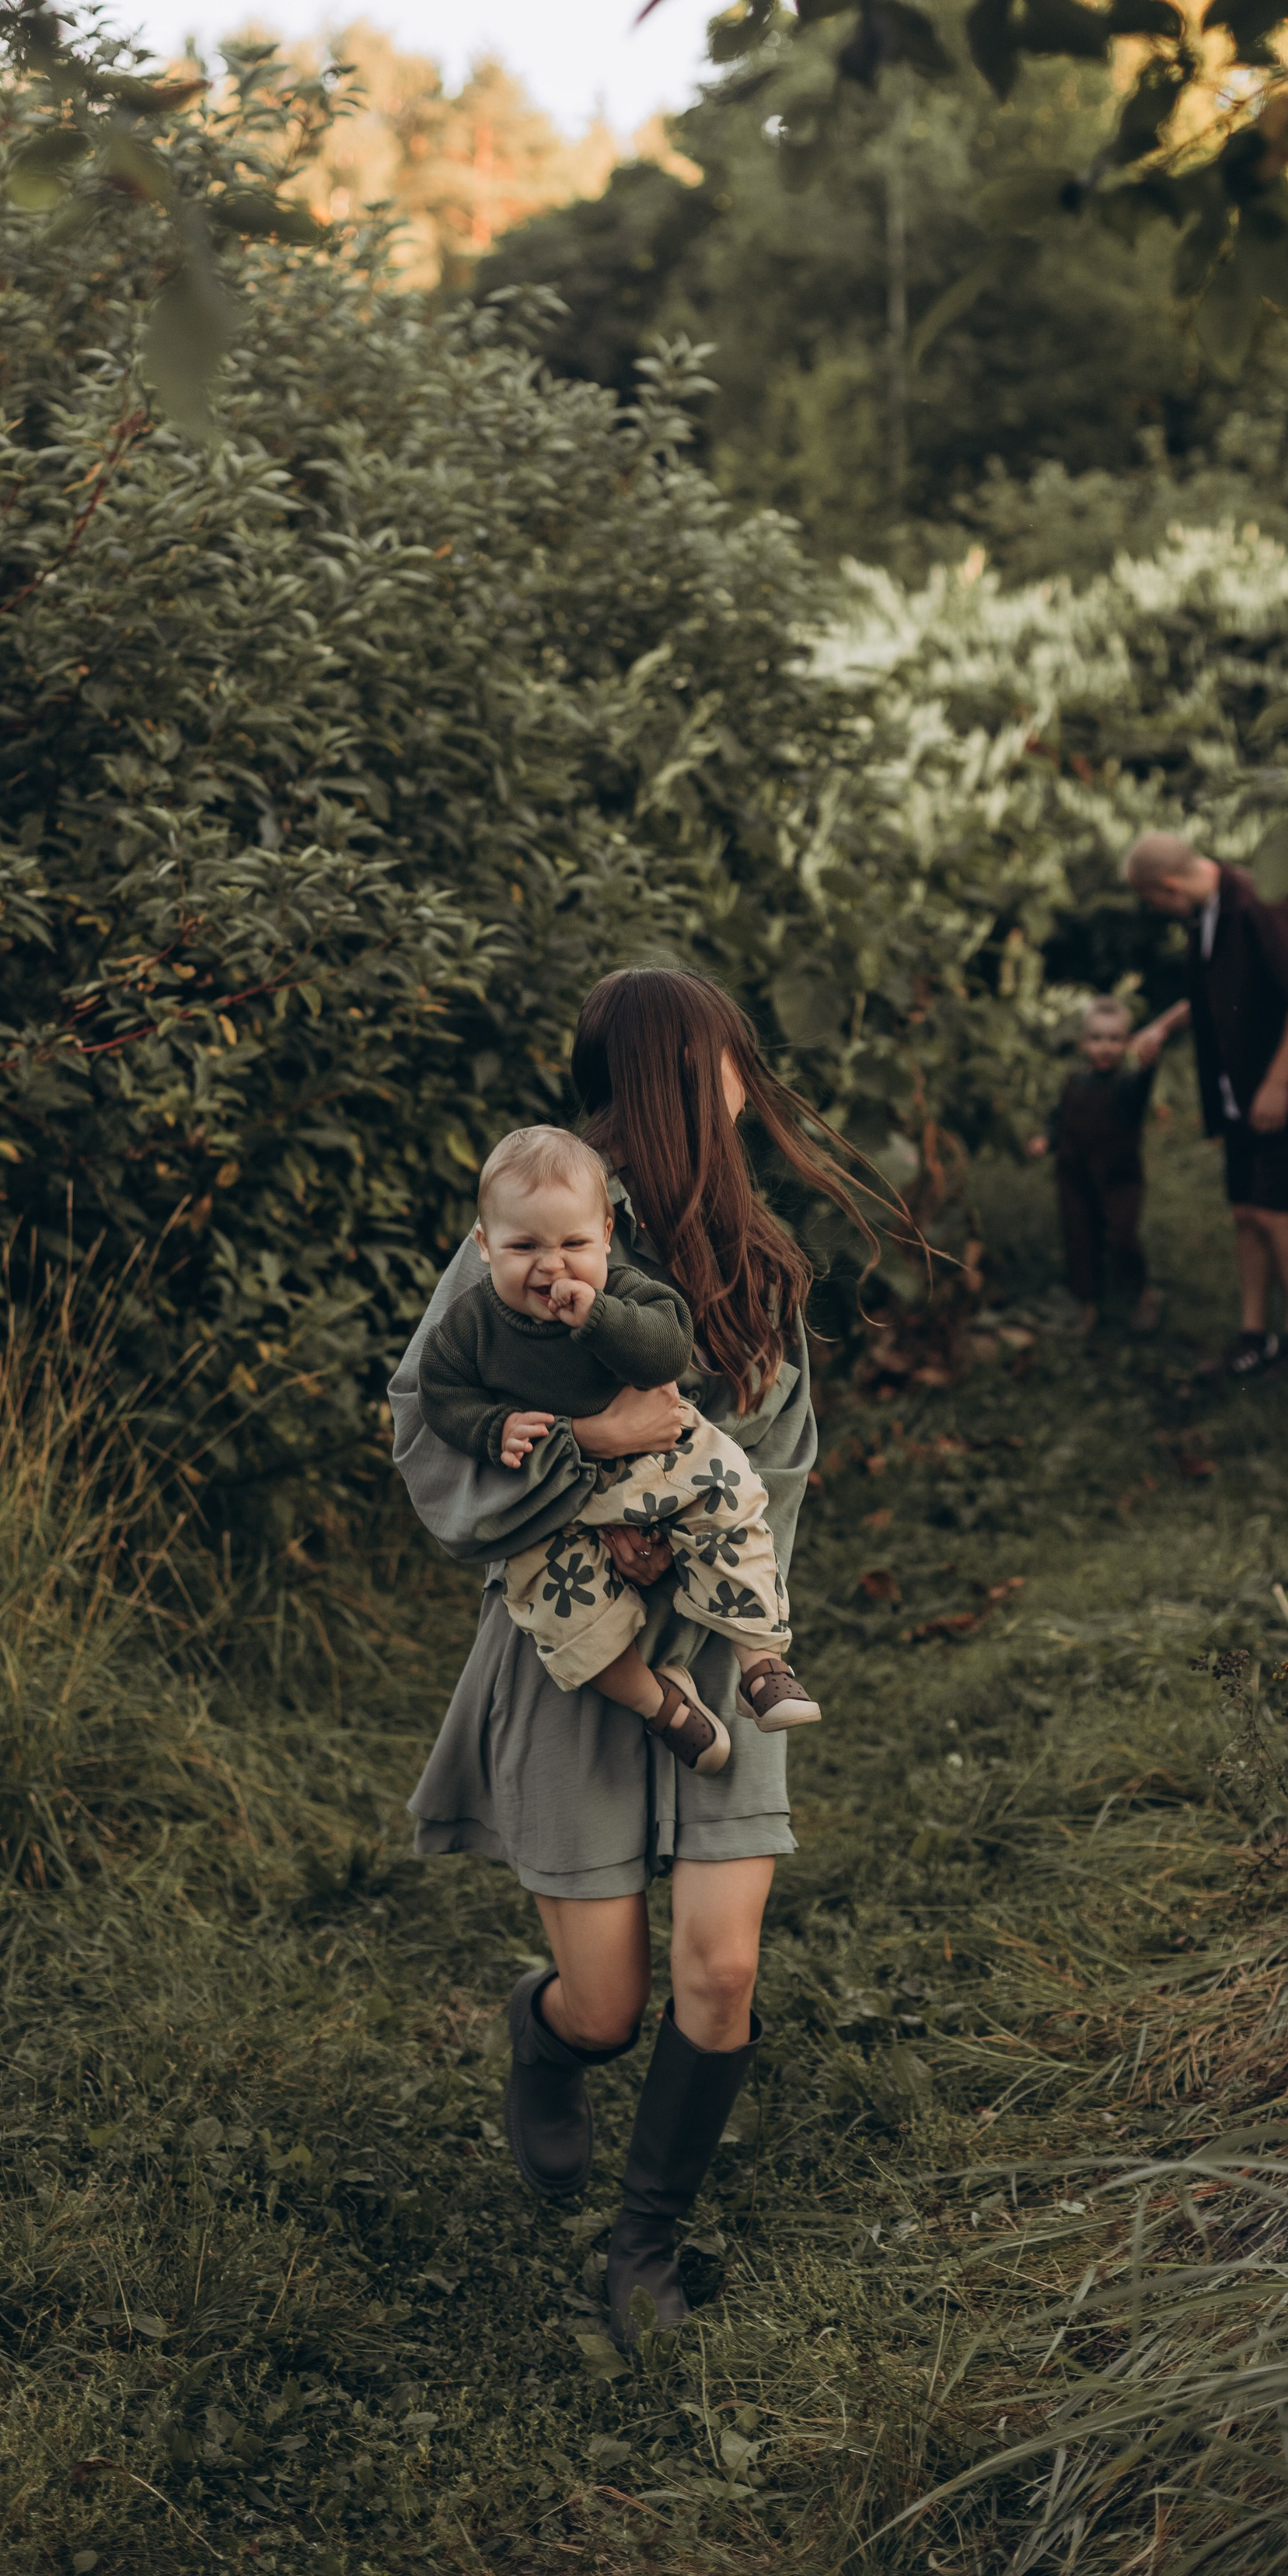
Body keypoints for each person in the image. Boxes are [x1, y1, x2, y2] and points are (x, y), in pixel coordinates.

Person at [392, 967, 882, 2346]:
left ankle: (646, 2241)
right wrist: (586, 1463)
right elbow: (428, 1418)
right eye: (725, 1059)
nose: (744, 1085)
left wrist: (706, 1557)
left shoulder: (750, 1246)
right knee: (607, 2007)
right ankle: (548, 2038)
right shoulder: (543, 1218)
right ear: (675, 1072)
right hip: (573, 1645)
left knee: (720, 1971)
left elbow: (780, 1456)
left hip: (712, 1646)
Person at [414, 1121, 821, 1769]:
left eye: (574, 1244)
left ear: (606, 1235)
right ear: (485, 1246)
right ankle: (660, 1704)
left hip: (660, 1460)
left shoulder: (627, 1292)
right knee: (551, 1601)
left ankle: (761, 1662)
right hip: (561, 1492)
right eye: (524, 1246)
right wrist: (492, 1427)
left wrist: (598, 1317)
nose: (552, 1266)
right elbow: (439, 1390)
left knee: (728, 1493)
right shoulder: (472, 1323)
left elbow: (667, 1350)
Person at [1122, 831, 1288, 1380]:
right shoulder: (1206, 913)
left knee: (1273, 1211)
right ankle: (1254, 1335)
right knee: (1245, 1212)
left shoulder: (1263, 902)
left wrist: (1279, 1083)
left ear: (1168, 886)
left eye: (1152, 900)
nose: (1156, 911)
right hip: (1241, 1086)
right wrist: (1162, 1027)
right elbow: (1216, 991)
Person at [1026, 994, 1189, 1333]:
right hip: (1075, 1176)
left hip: (1118, 1177)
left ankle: (1141, 1293)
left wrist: (1148, 1065)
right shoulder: (1074, 1081)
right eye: (1097, 1038)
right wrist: (1047, 1138)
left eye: (1115, 1039)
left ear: (1127, 1043)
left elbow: (1142, 1089)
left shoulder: (1127, 1084)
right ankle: (1086, 1303)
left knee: (1120, 1236)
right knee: (1079, 1235)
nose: (1105, 1047)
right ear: (1083, 1043)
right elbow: (1060, 1116)